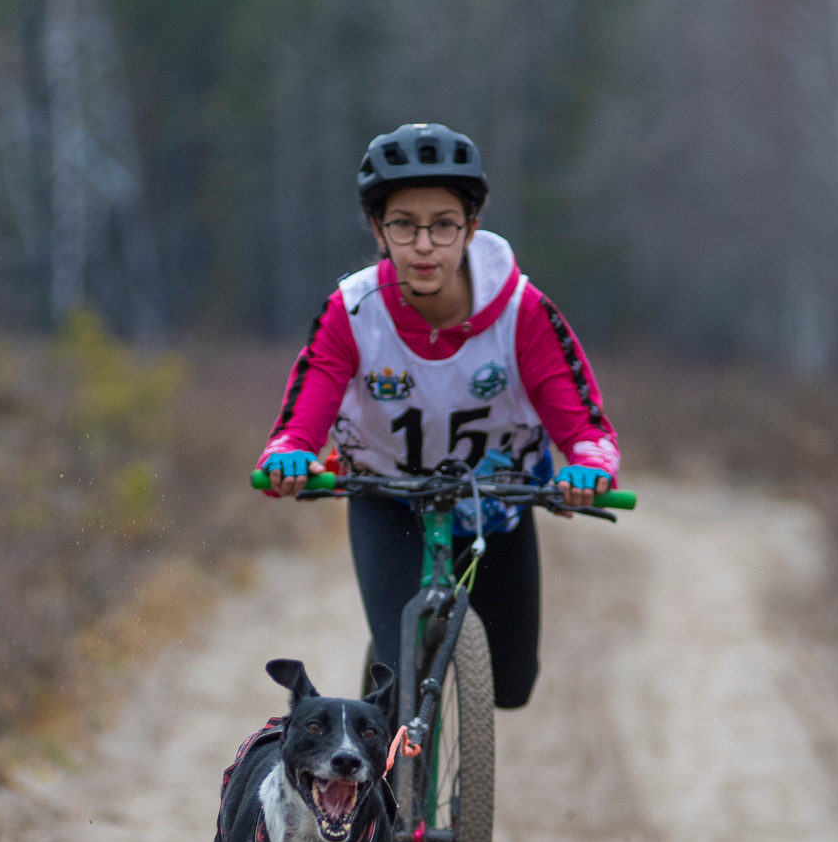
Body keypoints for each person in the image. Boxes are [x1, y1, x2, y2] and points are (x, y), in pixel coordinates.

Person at [258, 123, 620, 711]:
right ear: (378, 230)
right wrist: (289, 454)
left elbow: (585, 428)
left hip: (496, 504)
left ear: (471, 228)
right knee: (398, 670)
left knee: (512, 684)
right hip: (388, 496)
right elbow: (304, 413)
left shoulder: (522, 311)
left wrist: (588, 466)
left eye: (443, 225)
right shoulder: (351, 311)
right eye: (404, 224)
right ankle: (384, 792)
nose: (424, 245)